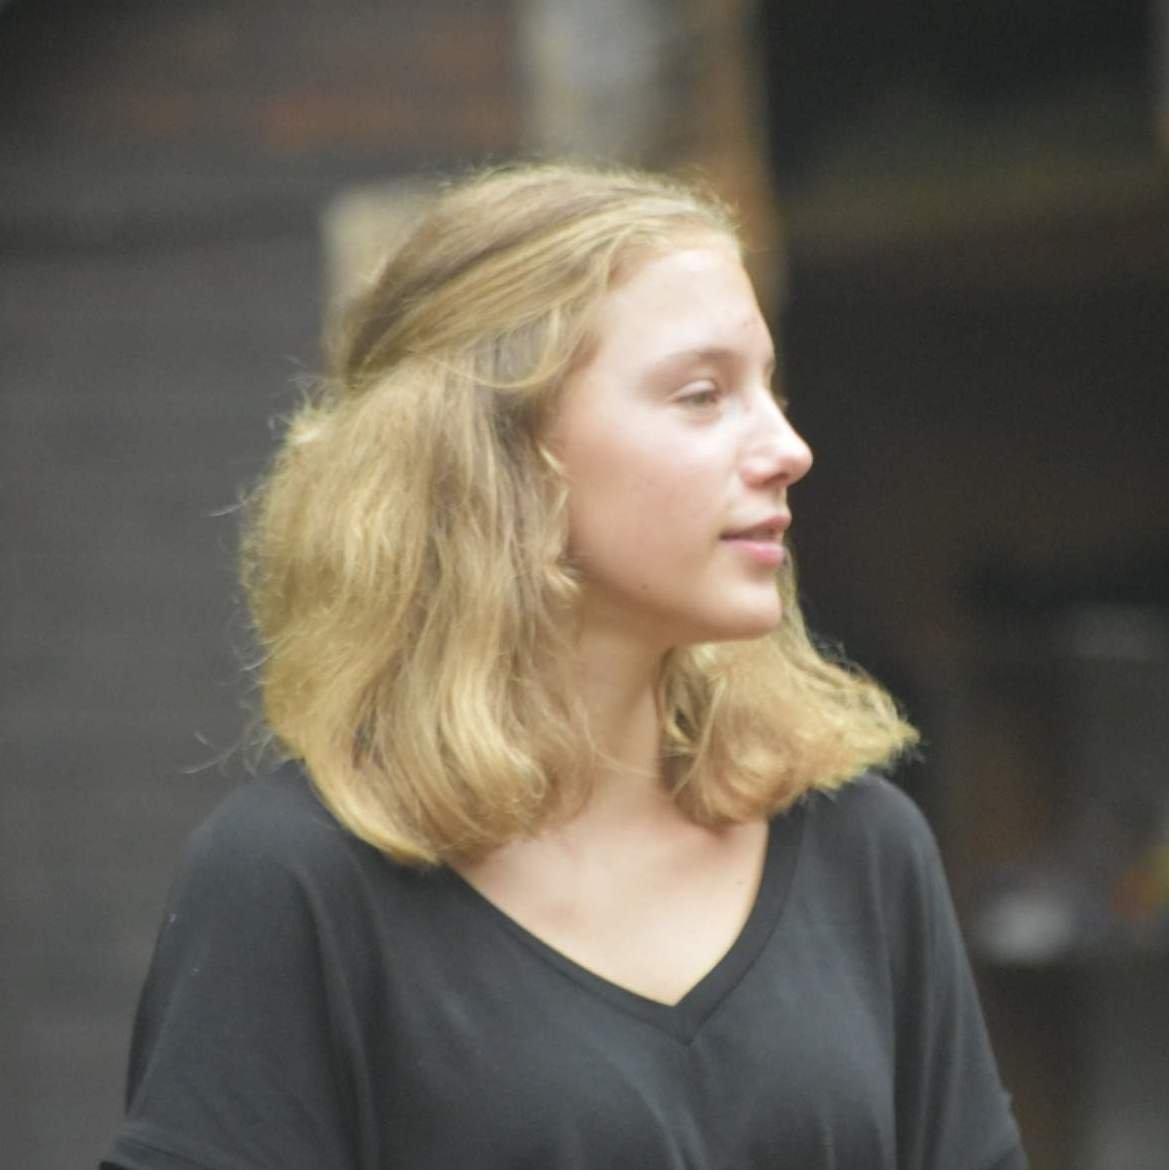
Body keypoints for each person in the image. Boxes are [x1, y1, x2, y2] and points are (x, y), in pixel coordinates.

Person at [102, 162, 1026, 1170]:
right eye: (701, 394)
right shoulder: (295, 879)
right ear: (500, 458)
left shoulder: (863, 849)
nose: (787, 447)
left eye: (768, 389)